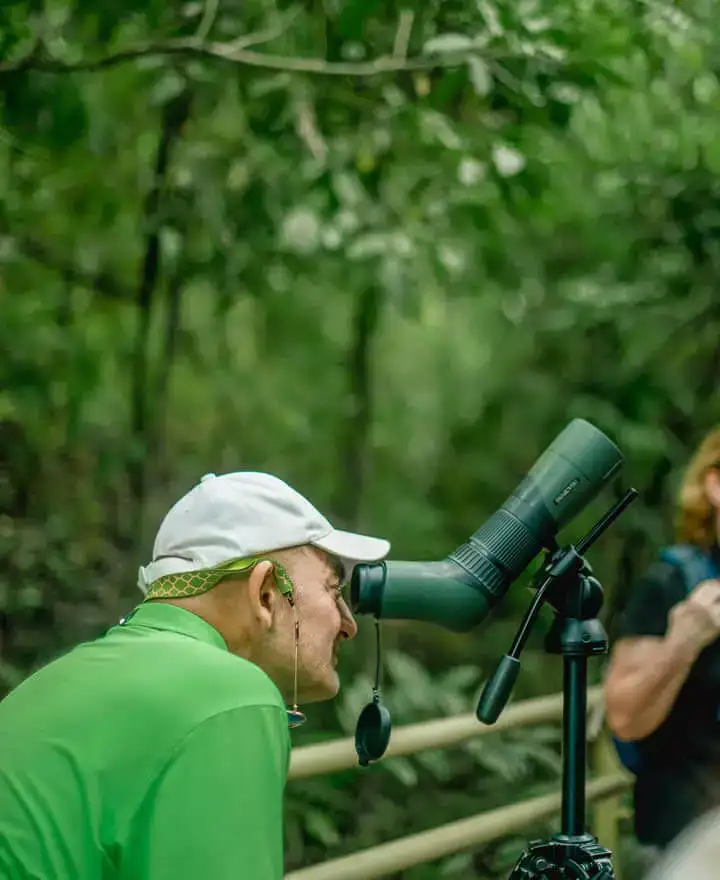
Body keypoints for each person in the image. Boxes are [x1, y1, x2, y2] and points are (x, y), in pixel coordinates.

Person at [0, 471, 390, 879]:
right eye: (332, 590)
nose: (349, 625)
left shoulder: (54, 680)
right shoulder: (229, 696)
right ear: (266, 594)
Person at [604, 427, 720, 866]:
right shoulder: (672, 582)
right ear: (714, 485)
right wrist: (683, 642)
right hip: (686, 839)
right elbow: (624, 715)